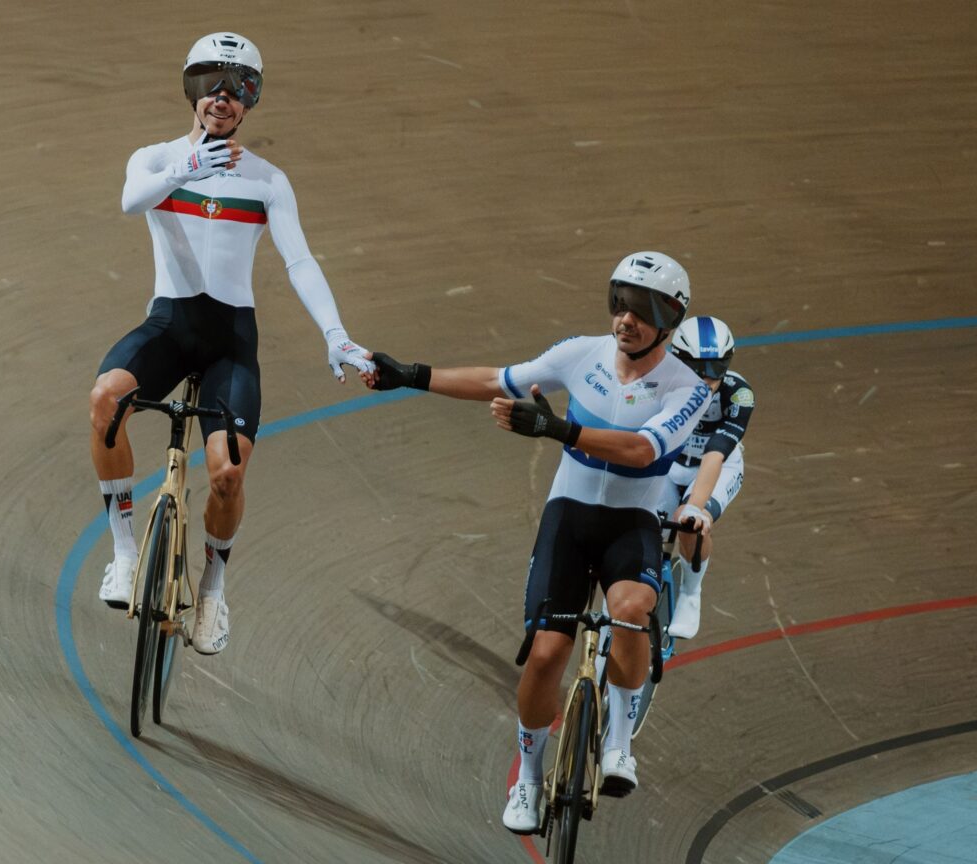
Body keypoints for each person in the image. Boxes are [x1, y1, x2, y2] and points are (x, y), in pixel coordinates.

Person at [363, 252, 712, 833]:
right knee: (548, 653)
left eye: (642, 309)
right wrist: (413, 375)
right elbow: (498, 380)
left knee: (629, 612)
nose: (625, 319)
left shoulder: (688, 388)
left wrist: (557, 429)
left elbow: (642, 451)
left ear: (670, 318)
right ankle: (527, 776)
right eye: (619, 302)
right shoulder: (582, 354)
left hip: (633, 523)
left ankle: (621, 741)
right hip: (570, 519)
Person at [89, 32, 374, 656]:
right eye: (211, 84)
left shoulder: (268, 181)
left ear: (251, 100)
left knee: (226, 474)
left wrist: (336, 333)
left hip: (229, 344)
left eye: (237, 86)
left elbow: (299, 262)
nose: (222, 97)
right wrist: (191, 166)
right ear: (192, 91)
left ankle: (213, 590)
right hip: (169, 326)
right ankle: (124, 550)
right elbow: (130, 201)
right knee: (106, 401)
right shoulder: (156, 158)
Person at [660, 316, 754, 639]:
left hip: (717, 467)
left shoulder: (738, 394)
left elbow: (716, 452)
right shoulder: (659, 381)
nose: (707, 379)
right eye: (696, 369)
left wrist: (694, 507)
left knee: (689, 525)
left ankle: (690, 592)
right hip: (670, 464)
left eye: (716, 368)